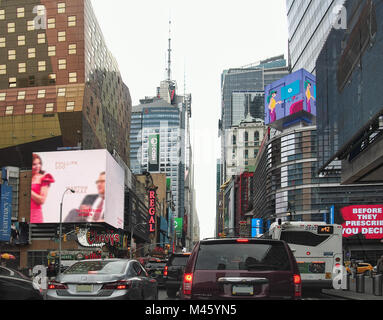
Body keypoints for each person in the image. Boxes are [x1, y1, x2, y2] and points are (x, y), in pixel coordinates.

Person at [30, 154, 54, 223]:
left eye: (39, 163)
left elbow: (42, 200)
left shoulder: (44, 178)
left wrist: (30, 191)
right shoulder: (27, 177)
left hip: (35, 216)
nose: (38, 166)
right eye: (34, 164)